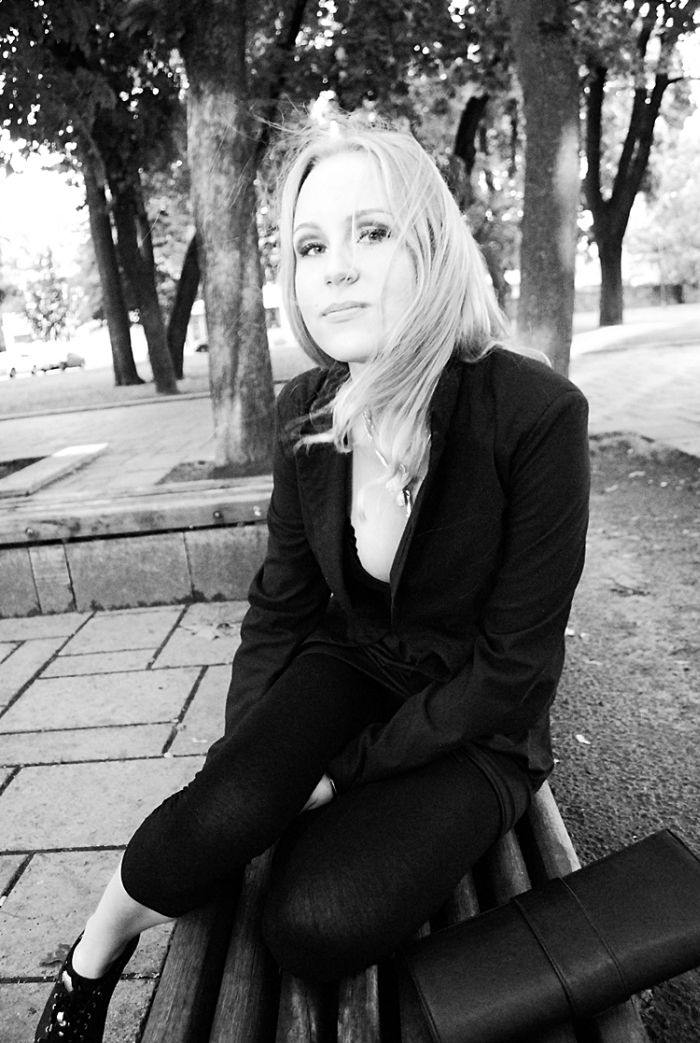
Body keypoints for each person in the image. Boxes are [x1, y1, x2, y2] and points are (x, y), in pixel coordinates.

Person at [35, 117, 590, 1042]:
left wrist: (337, 773)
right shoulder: (307, 408)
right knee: (211, 825)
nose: (336, 269)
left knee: (315, 924)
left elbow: (516, 670)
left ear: (431, 246)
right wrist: (244, 765)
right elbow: (281, 606)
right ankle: (91, 957)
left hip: (478, 722)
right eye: (310, 245)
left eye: (372, 232)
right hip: (355, 663)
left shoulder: (536, 415)